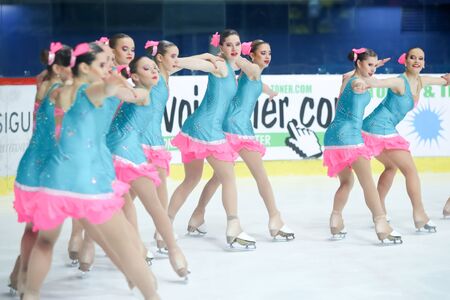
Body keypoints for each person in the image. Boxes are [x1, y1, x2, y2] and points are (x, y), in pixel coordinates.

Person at [18, 42, 159, 300]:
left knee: (45, 242)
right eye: (102, 65)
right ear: (84, 67)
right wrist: (117, 81)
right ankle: (153, 296)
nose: (108, 69)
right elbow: (108, 89)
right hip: (87, 181)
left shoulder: (58, 90)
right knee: (127, 248)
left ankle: (30, 293)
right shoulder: (91, 89)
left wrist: (109, 72)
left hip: (56, 180)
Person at [186, 39, 294, 240]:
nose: (267, 56)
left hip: (229, 128)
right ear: (252, 55)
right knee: (260, 176)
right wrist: (237, 56)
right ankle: (275, 219)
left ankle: (197, 216)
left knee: (219, 178)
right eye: (262, 53)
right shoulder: (250, 68)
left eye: (269, 52)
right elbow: (251, 72)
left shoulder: (251, 74)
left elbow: (256, 83)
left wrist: (270, 92)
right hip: (238, 130)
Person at [169, 29, 256, 248]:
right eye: (229, 45)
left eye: (237, 44)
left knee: (192, 179)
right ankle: (234, 228)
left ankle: (168, 226)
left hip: (197, 127)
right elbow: (188, 64)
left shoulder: (233, 66)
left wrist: (238, 58)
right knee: (228, 178)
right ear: (221, 47)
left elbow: (253, 70)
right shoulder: (217, 65)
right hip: (207, 130)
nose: (234, 48)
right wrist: (205, 56)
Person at [106, 55, 189, 278]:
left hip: (127, 152)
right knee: (123, 205)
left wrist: (109, 82)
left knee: (149, 204)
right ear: (135, 75)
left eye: (154, 67)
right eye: (147, 68)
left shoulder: (144, 93)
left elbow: (128, 94)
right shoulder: (138, 90)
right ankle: (156, 250)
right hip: (113, 151)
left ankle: (171, 249)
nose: (153, 71)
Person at [361, 47, 449, 232]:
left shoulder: (421, 81)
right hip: (379, 128)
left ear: (424, 63)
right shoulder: (399, 82)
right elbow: (377, 83)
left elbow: (443, 80)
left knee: (391, 167)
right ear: (406, 61)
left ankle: (379, 211)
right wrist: (369, 72)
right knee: (410, 171)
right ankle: (420, 215)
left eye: (420, 58)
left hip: (372, 128)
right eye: (412, 58)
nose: (416, 61)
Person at [10, 42, 72, 295]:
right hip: (49, 168)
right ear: (59, 68)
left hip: (30, 165)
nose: (75, 71)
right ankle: (26, 282)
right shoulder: (60, 90)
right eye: (72, 67)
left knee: (32, 228)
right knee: (42, 233)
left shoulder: (42, 82)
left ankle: (20, 274)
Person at [323, 48, 403, 244]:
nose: (373, 69)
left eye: (375, 65)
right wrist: (364, 82)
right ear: (358, 63)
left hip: (332, 136)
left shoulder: (347, 78)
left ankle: (335, 218)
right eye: (370, 65)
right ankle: (382, 225)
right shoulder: (358, 82)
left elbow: (349, 75)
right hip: (349, 136)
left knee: (346, 183)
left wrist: (372, 65)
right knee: (368, 183)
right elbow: (359, 84)